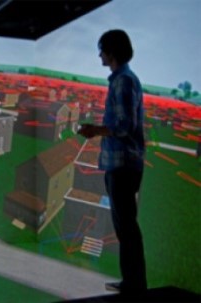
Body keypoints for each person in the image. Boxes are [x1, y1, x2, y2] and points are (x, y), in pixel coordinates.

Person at [78, 29, 147, 295]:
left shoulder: (123, 81)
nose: (99, 55)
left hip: (122, 165)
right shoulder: (124, 79)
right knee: (125, 226)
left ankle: (134, 286)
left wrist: (95, 130)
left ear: (112, 52)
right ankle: (131, 282)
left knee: (126, 227)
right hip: (122, 164)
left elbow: (123, 125)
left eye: (102, 50)